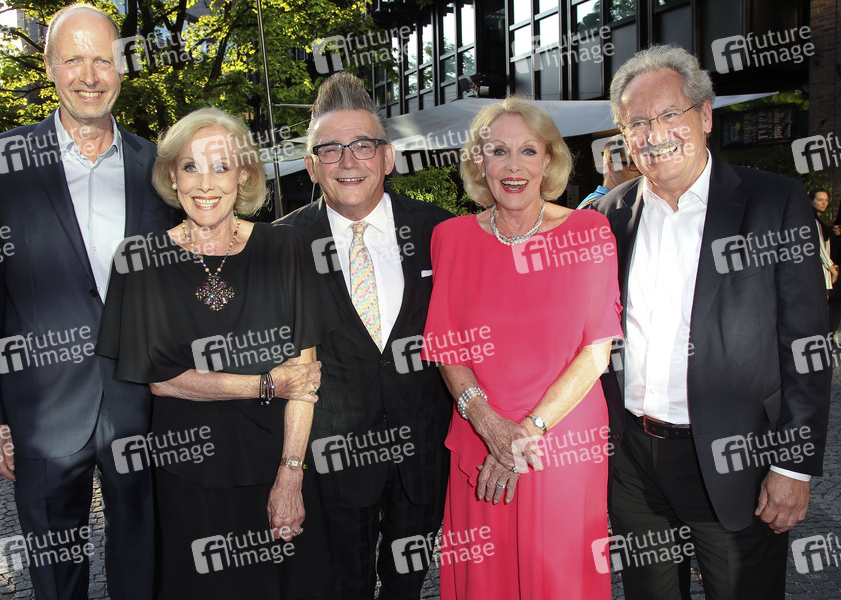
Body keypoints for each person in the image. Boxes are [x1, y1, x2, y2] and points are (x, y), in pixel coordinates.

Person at [594, 44, 830, 600]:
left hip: (738, 461)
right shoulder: (609, 215)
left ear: (704, 115)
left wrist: (793, 467)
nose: (654, 134)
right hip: (633, 464)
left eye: (669, 114)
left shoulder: (774, 202)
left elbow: (806, 343)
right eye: (637, 123)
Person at [0, 5, 175, 598]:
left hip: (142, 404)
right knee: (55, 575)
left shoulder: (156, 166)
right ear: (50, 68)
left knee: (144, 560)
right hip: (41, 411)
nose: (89, 75)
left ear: (121, 68)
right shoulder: (1, 161)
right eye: (73, 59)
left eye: (103, 59)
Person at [96, 107, 334, 599]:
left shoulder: (286, 248)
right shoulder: (140, 260)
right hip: (190, 473)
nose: (205, 183)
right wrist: (267, 384)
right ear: (172, 176)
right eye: (191, 167)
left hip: (278, 463)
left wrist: (291, 475)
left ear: (243, 174)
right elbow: (162, 379)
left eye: (221, 166)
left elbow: (305, 379)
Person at [421, 97, 622, 600]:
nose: (514, 167)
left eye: (528, 151)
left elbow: (596, 351)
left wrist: (523, 437)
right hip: (478, 438)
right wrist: (490, 427)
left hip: (563, 441)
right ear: (479, 162)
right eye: (498, 151)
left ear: (549, 160)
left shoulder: (589, 231)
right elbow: (447, 348)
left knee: (559, 580)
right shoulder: (450, 238)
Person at [278, 71, 453, 600]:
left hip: (422, 454)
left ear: (388, 157)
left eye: (362, 145)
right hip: (332, 463)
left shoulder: (439, 232)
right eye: (330, 149)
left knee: (406, 587)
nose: (348, 161)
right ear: (312, 166)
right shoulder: (281, 245)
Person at [577, 135, 639, 209]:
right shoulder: (596, 207)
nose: (641, 171)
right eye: (633, 164)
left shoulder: (617, 202)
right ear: (610, 168)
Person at [811, 189, 838, 298]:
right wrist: (832, 269)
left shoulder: (819, 221)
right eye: (820, 200)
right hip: (819, 271)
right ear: (811, 201)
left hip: (823, 271)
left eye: (826, 200)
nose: (824, 203)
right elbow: (820, 249)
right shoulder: (813, 222)